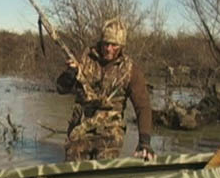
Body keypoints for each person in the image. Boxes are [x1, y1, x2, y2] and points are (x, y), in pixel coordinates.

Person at [57, 18, 155, 161]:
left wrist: (144, 142)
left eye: (114, 45)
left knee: (104, 163)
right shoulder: (84, 59)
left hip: (110, 130)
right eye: (106, 44)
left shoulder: (130, 70)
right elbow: (60, 88)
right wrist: (70, 75)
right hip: (82, 127)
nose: (108, 48)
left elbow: (143, 106)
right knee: (72, 164)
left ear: (121, 45)